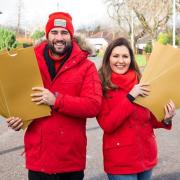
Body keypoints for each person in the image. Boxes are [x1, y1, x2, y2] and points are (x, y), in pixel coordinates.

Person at [6, 12, 102, 180]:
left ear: (71, 36)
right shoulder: (30, 63)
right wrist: (18, 120)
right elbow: (19, 100)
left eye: (64, 33)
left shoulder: (86, 67)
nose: (59, 37)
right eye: (54, 32)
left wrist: (56, 100)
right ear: (47, 35)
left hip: (70, 159)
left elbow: (93, 105)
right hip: (39, 158)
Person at [97, 37, 176, 180]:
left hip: (146, 157)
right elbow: (108, 124)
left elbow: (150, 119)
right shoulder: (101, 86)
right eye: (116, 56)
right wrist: (130, 98)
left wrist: (166, 119)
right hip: (120, 162)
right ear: (108, 58)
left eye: (125, 56)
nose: (120, 61)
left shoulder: (142, 81)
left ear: (131, 59)